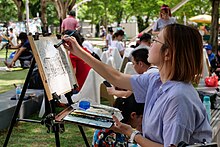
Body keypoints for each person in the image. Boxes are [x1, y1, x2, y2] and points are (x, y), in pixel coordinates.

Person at [63, 24, 212, 147]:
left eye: (156, 40)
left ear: (167, 54)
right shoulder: (156, 79)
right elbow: (116, 77)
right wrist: (78, 51)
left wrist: (132, 133)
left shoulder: (178, 98)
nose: (150, 44)